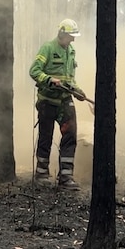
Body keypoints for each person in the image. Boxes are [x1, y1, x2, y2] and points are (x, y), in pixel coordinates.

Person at [29, 18, 84, 190]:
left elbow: (70, 78)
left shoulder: (71, 51)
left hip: (65, 101)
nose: (73, 39)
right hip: (47, 101)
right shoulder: (48, 48)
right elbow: (34, 71)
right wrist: (50, 80)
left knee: (71, 134)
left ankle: (66, 177)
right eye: (71, 36)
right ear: (61, 34)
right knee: (46, 136)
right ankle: (41, 174)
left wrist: (78, 90)